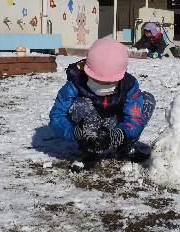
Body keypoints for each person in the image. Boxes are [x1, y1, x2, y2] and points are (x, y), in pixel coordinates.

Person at [49, 39, 156, 172]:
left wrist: (120, 134)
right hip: (89, 127)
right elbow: (57, 115)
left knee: (147, 100)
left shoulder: (128, 86)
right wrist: (74, 132)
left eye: (108, 82)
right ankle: (89, 150)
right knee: (79, 105)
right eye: (96, 79)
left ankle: (125, 147)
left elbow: (135, 118)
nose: (102, 85)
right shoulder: (75, 82)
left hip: (116, 125)